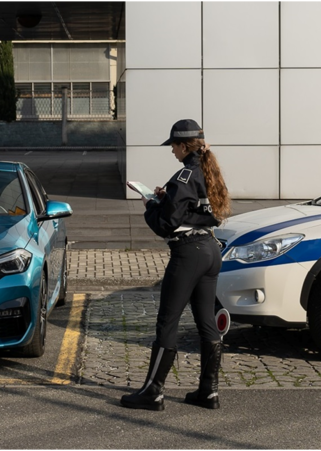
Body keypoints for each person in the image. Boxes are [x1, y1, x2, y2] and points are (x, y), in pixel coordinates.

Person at [120, 119, 231, 411]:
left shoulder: (183, 175)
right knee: (206, 321)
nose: (171, 151)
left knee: (167, 322)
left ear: (183, 146)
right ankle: (209, 391)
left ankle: (152, 392)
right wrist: (166, 199)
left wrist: (152, 207)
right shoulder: (210, 172)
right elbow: (199, 210)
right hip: (209, 249)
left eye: (172, 146)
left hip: (188, 254)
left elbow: (167, 225)